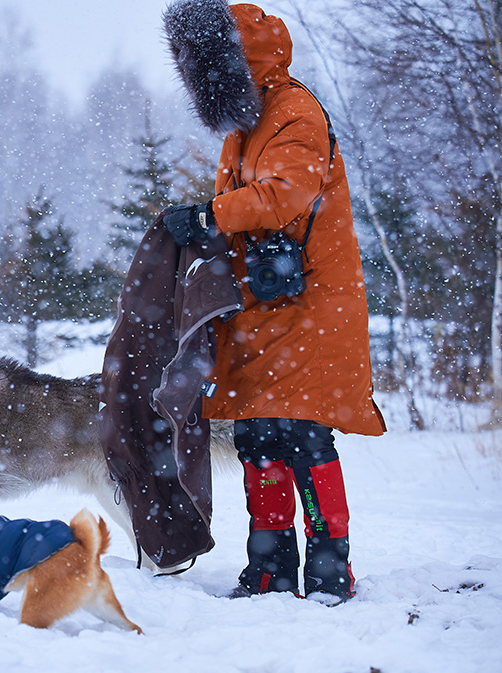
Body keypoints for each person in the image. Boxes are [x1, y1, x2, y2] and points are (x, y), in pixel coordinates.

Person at [160, 0, 386, 603]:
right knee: (259, 436)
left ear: (239, 60)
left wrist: (212, 214)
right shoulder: (242, 126)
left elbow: (285, 194)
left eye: (211, 63)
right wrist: (208, 227)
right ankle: (271, 566)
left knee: (305, 437)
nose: (203, 78)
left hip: (313, 304)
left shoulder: (294, 112)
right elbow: (247, 207)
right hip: (262, 305)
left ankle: (329, 567)